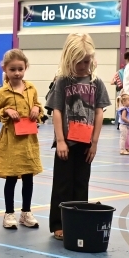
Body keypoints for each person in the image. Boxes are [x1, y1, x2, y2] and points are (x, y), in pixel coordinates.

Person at [47, 33, 109, 240]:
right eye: (78, 62)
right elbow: (57, 111)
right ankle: (59, 224)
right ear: (69, 59)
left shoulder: (96, 83)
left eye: (86, 61)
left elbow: (99, 113)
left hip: (86, 143)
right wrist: (60, 140)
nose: (83, 66)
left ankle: (77, 222)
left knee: (81, 184)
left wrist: (94, 143)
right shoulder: (62, 81)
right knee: (62, 184)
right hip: (66, 143)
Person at [0, 49, 43, 229]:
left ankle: (26, 212)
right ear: (4, 69)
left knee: (28, 177)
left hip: (28, 141)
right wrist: (6, 111)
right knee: (11, 177)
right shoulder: (1, 93)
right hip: (11, 141)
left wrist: (36, 108)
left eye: (20, 69)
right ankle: (9, 213)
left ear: (25, 68)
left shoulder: (31, 88)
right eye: (12, 69)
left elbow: (38, 105)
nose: (17, 73)